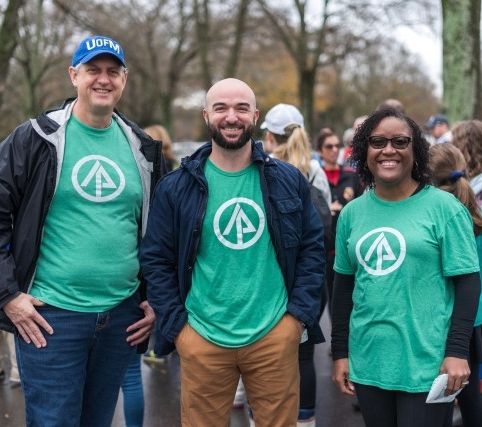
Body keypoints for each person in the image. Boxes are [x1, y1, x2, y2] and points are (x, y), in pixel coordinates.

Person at [0, 35, 164, 426]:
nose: (103, 80)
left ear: (125, 78)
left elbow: (161, 232)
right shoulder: (34, 139)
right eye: (93, 70)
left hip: (120, 315)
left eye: (112, 71)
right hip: (51, 317)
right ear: (74, 75)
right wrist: (7, 295)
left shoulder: (142, 148)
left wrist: (155, 297)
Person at [141, 78, 325, 426]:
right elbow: (156, 259)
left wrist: (296, 319)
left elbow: (312, 251)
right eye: (221, 108)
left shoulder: (287, 179)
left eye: (241, 108)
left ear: (255, 116)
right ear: (206, 115)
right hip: (202, 337)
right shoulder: (176, 187)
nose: (231, 117)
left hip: (274, 335)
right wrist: (179, 328)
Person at [331, 108, 481, 426]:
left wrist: (457, 351)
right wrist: (340, 351)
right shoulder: (352, 214)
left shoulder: (445, 209)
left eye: (400, 141)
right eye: (377, 141)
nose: (388, 150)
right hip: (369, 361)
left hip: (427, 365)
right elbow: (343, 287)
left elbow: (468, 284)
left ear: (416, 150)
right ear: (364, 151)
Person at [261, 103, 329, 426]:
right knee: (303, 353)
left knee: (264, 356)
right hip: (312, 275)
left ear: (269, 137)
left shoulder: (263, 168)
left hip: (274, 276)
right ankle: (305, 419)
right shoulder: (316, 171)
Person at [429, 143, 482, 427]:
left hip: (446, 322)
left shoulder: (441, 216)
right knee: (470, 396)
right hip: (475, 321)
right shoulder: (481, 217)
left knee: (439, 400)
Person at [316, 130, 361, 312]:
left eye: (337, 145)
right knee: (320, 302)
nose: (334, 150)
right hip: (322, 249)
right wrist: (326, 209)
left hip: (346, 248)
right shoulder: (316, 177)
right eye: (329, 146)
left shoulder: (351, 175)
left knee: (344, 303)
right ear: (319, 151)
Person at [450, 120, 482, 213]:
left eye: (453, 144)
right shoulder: (467, 175)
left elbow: (465, 214)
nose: (451, 149)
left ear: (464, 147)